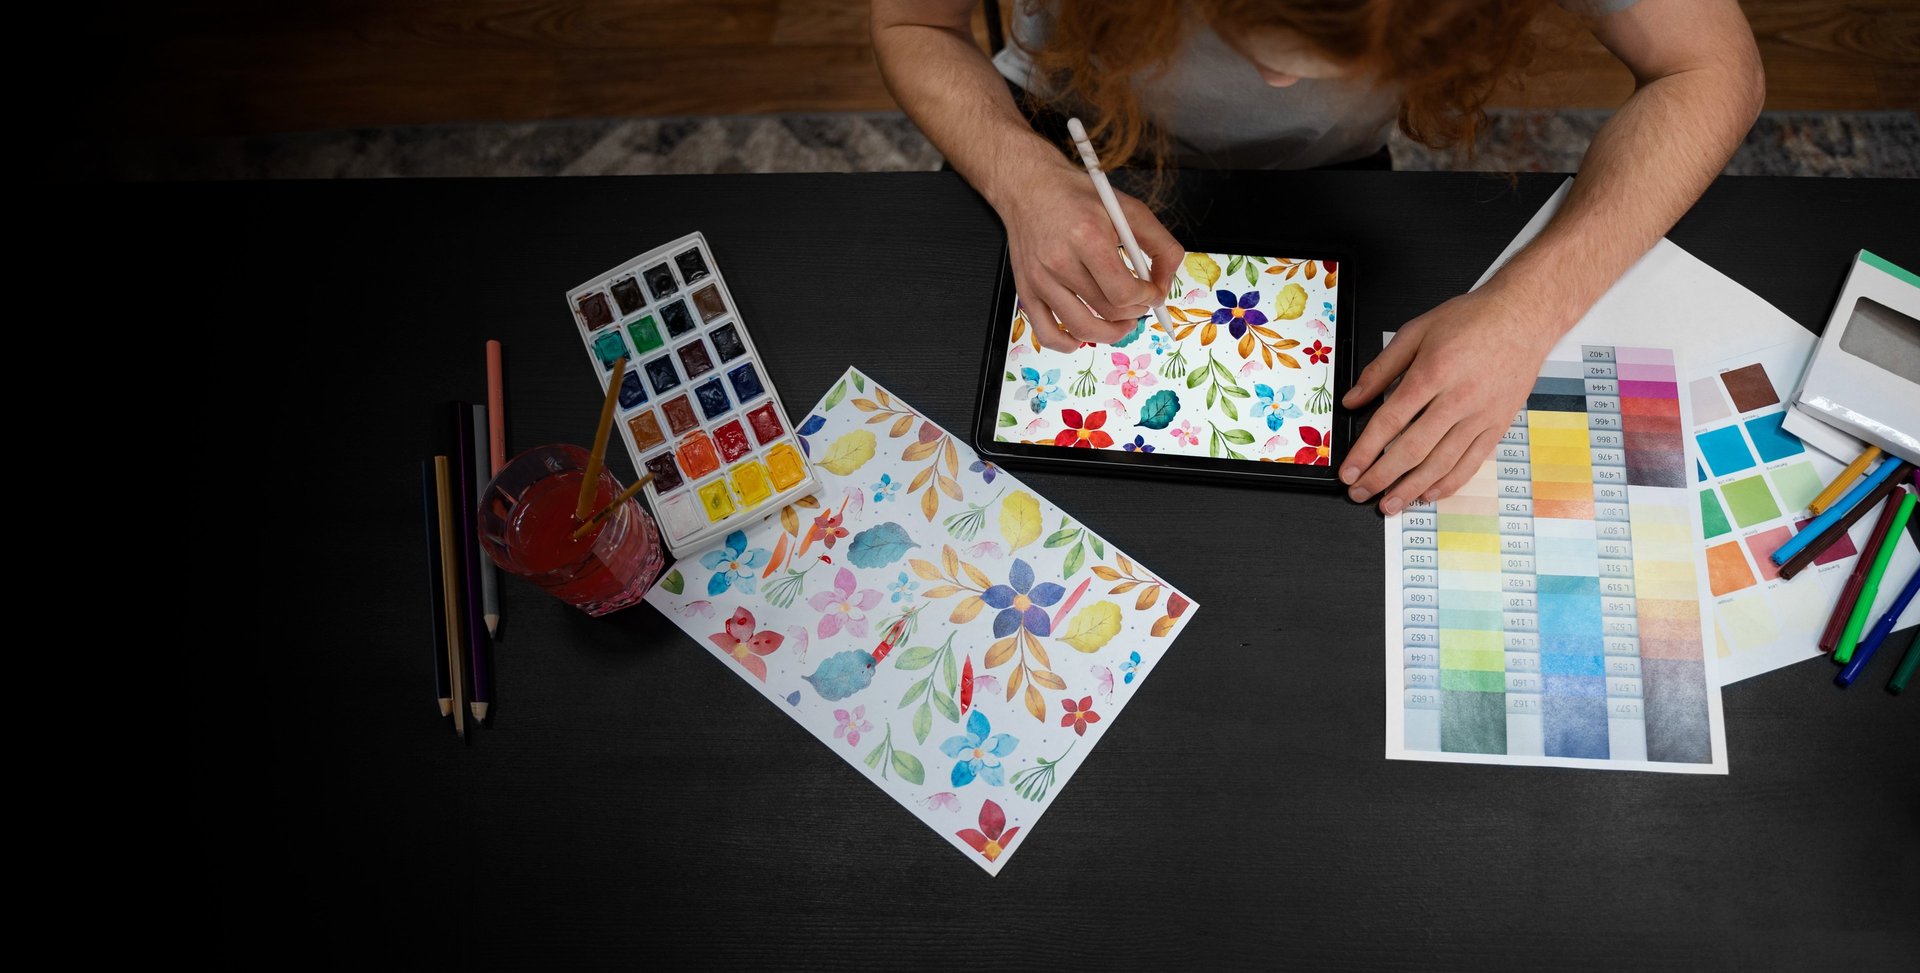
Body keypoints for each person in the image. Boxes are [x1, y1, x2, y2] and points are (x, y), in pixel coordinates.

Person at [871, 0, 1764, 513]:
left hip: (1337, 178)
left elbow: (1714, 70)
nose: (1278, 84)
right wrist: (1021, 175)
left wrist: (1530, 304)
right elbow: (916, 20)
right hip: (1051, 137)